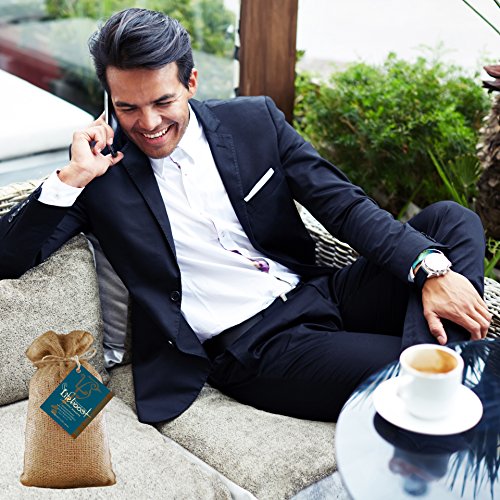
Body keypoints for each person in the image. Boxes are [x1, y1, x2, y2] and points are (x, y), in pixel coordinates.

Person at [0, 8, 491, 424]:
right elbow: (9, 255)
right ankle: (441, 373)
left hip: (320, 291)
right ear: (109, 98)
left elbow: (344, 206)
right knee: (452, 373)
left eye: (163, 101)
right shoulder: (98, 175)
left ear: (191, 82)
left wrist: (430, 271)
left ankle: (439, 370)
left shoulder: (255, 121)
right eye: (127, 107)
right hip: (256, 346)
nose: (148, 124)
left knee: (452, 222)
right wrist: (70, 178)